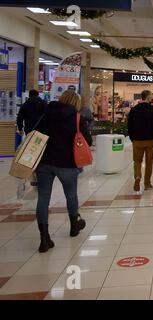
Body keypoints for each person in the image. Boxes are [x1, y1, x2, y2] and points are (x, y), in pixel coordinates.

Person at [35, 90, 92, 253]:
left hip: (45, 162)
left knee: (43, 198)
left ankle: (44, 238)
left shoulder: (46, 113)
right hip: (67, 163)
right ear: (75, 102)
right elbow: (87, 140)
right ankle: (74, 226)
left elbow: (37, 134)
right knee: (71, 195)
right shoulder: (77, 117)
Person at [127, 90, 153, 192]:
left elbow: (129, 125)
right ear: (148, 97)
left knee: (137, 161)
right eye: (151, 96)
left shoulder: (134, 110)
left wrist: (132, 138)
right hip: (150, 140)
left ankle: (137, 178)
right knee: (149, 162)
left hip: (137, 140)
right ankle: (147, 183)